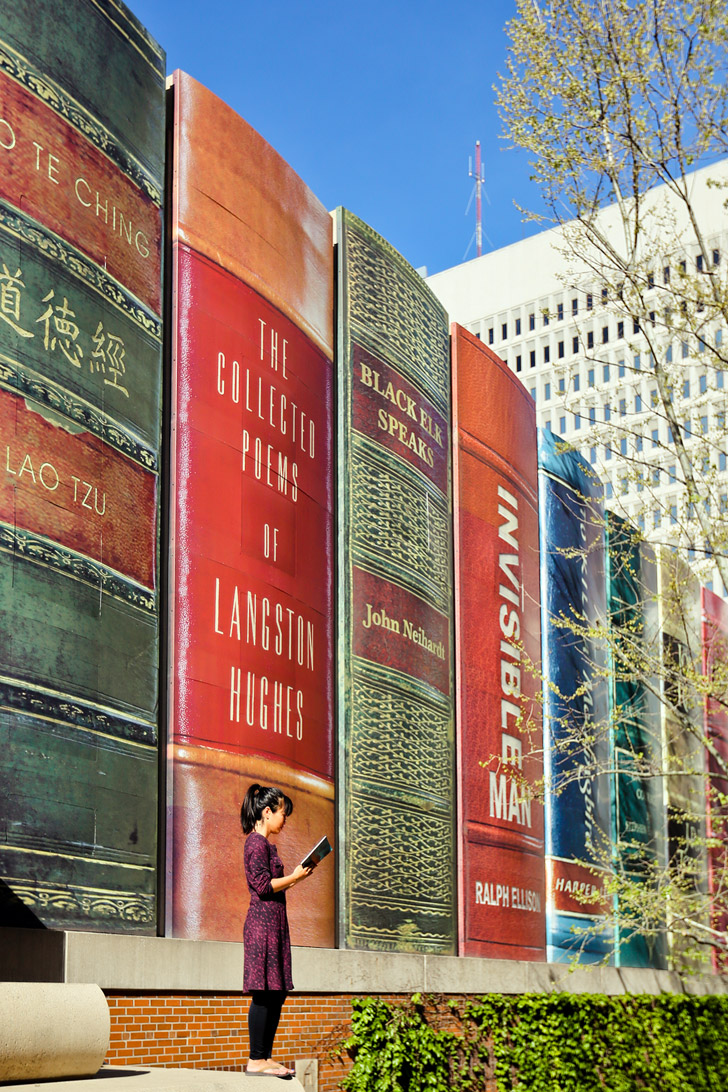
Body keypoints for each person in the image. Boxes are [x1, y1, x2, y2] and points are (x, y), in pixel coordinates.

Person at [240, 783, 314, 1078]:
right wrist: (294, 876)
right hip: (262, 925)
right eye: (284, 814)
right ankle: (256, 1059)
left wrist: (298, 876)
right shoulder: (255, 843)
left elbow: (273, 885)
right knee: (264, 992)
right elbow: (261, 885)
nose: (286, 820)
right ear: (267, 812)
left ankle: (265, 1057)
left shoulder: (266, 845)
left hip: (274, 924)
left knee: (277, 991)